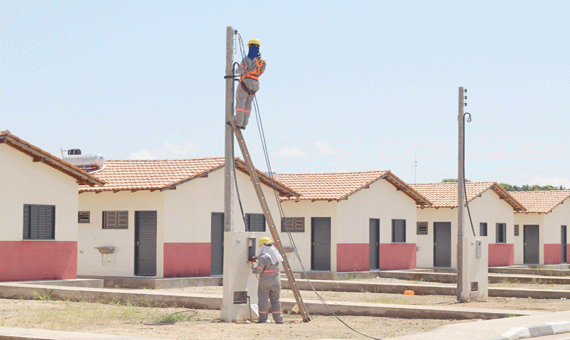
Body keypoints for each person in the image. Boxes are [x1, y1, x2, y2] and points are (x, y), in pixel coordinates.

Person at [234, 38, 266, 130]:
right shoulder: (263, 61)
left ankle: (238, 122)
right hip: (255, 85)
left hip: (245, 83)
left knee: (241, 103)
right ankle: (244, 124)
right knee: (248, 105)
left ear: (250, 47)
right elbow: (261, 72)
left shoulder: (247, 59)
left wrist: (236, 71)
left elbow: (240, 70)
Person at [251, 236, 283, 324]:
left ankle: (263, 319)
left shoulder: (263, 257)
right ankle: (279, 319)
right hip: (276, 282)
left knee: (263, 300)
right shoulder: (276, 255)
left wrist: (253, 269)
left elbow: (259, 270)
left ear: (262, 247)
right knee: (276, 300)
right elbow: (270, 261)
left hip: (265, 282)